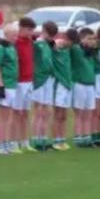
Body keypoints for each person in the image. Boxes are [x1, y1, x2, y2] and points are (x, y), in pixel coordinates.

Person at [0, 25, 19, 155]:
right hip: (4, 85)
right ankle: (0, 145)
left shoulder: (11, 47)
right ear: (7, 35)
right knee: (2, 116)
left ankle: (6, 143)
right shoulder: (0, 48)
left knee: (8, 116)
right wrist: (0, 85)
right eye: (14, 35)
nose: (16, 38)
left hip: (12, 85)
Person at [30, 21, 58, 151]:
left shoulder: (47, 44)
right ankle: (36, 139)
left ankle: (43, 138)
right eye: (50, 34)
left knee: (46, 111)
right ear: (44, 31)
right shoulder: (37, 44)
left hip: (48, 79)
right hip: (39, 79)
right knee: (38, 110)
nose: (52, 37)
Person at [13, 16, 36, 152]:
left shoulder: (30, 42)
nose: (30, 33)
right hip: (19, 82)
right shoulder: (15, 43)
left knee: (26, 113)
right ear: (20, 28)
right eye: (28, 30)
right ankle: (15, 142)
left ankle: (25, 141)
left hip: (29, 81)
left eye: (32, 30)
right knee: (17, 113)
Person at [71, 28, 97, 148]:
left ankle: (87, 137)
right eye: (89, 38)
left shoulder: (91, 52)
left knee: (89, 113)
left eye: (93, 38)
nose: (92, 41)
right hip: (79, 84)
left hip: (90, 84)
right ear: (81, 39)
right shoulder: (76, 49)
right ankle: (78, 137)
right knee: (79, 113)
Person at [51, 30, 75, 151]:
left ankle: (62, 139)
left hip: (67, 84)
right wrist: (57, 42)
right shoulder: (55, 49)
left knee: (64, 115)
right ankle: (56, 140)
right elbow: (49, 43)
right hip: (59, 84)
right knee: (57, 114)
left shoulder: (67, 50)